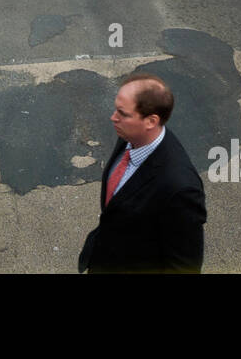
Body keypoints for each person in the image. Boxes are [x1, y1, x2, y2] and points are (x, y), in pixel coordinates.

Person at [77, 73, 207, 274]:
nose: (113, 117)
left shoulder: (180, 189)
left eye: (123, 113)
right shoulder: (131, 136)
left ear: (150, 121)